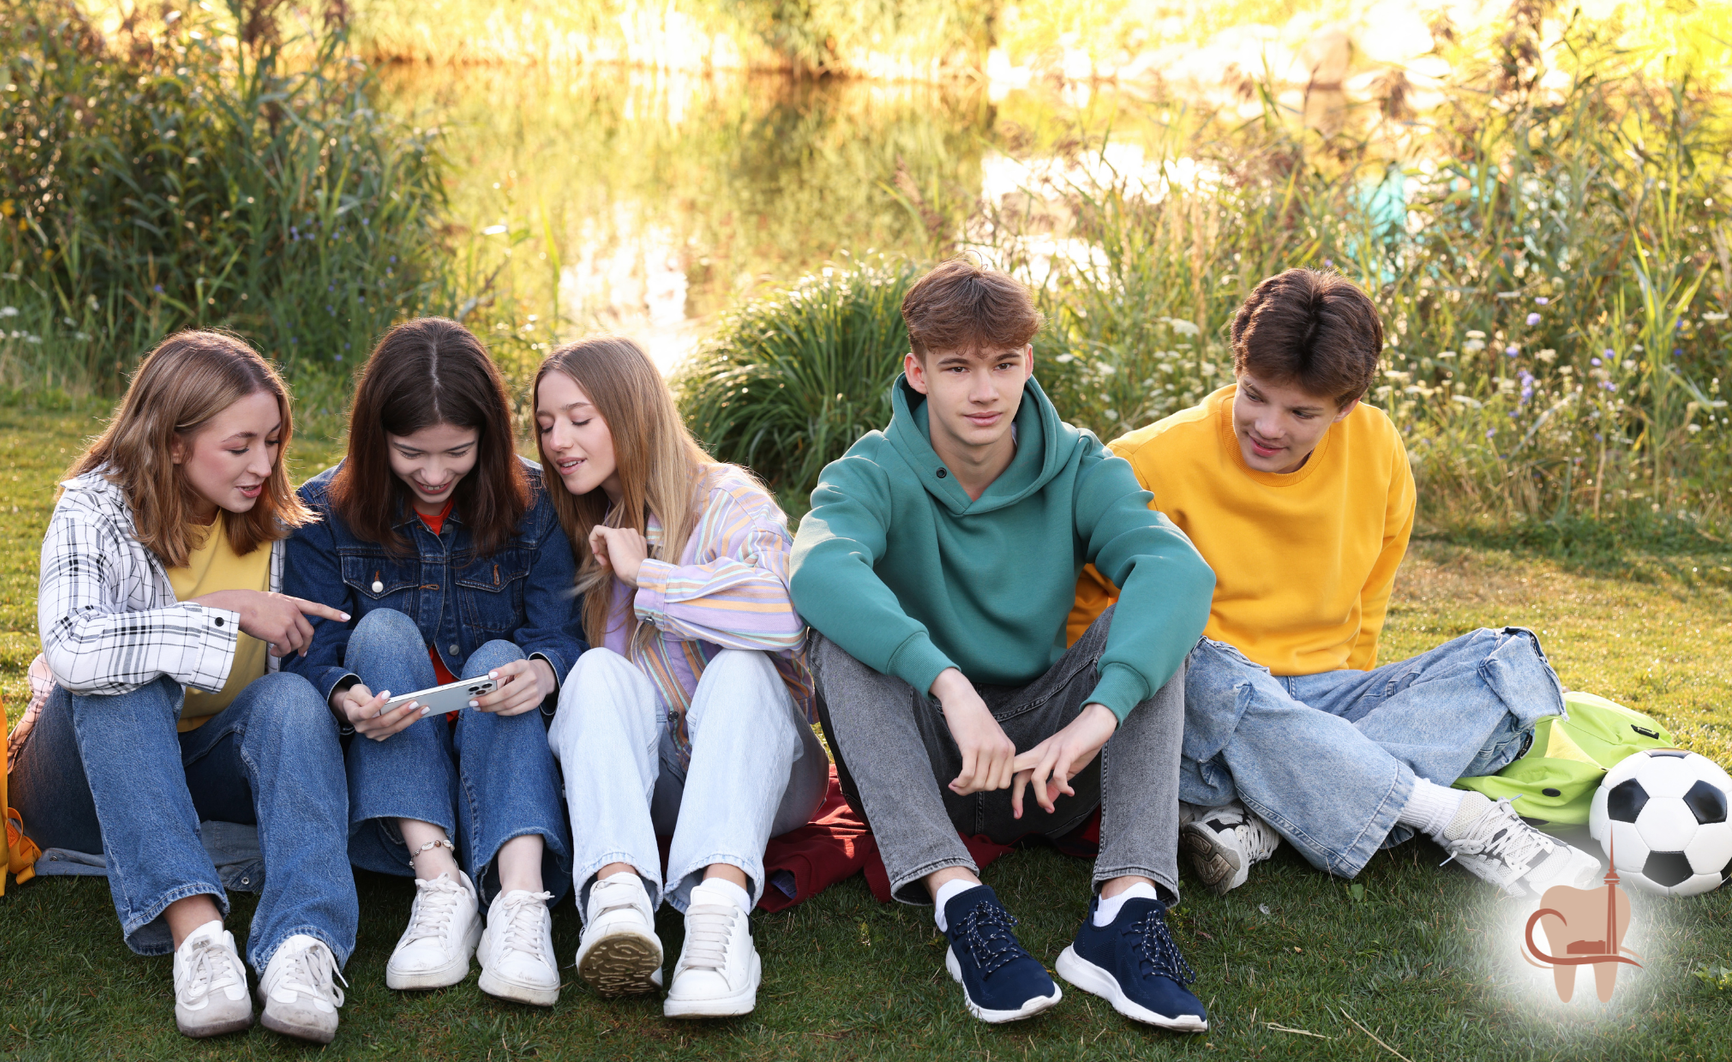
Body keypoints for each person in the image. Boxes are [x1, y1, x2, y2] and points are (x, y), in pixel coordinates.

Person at [1068, 267, 1600, 897]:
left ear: (1346, 406)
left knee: (1507, 662)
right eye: (1254, 395)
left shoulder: (1377, 445)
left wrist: (1320, 742)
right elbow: (1086, 633)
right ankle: (1456, 817)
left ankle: (1262, 818)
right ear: (1237, 367)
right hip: (1200, 712)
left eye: (1301, 412)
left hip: (1326, 696)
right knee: (1185, 649)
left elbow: (1371, 595)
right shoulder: (1145, 459)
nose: (1269, 426)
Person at [789, 260, 1216, 1031]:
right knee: (840, 637)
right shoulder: (871, 470)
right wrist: (947, 684)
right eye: (958, 368)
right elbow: (817, 567)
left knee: (1153, 628)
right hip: (931, 764)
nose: (984, 391)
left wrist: (1096, 720)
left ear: (1028, 365)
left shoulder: (1079, 462)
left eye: (1004, 365)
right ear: (917, 372)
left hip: (1052, 766)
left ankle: (1126, 908)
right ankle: (960, 902)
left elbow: (1176, 569)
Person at [10, 330, 356, 1044]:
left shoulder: (281, 524)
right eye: (239, 446)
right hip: (81, 783)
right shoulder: (93, 510)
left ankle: (303, 947)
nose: (263, 464)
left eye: (273, 442)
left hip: (210, 773)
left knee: (292, 701)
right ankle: (198, 938)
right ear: (173, 442)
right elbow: (72, 647)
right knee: (124, 678)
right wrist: (225, 609)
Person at [282, 318, 584, 1006]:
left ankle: (520, 902)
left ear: (489, 439)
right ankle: (439, 884)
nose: (435, 474)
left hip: (503, 770)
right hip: (395, 789)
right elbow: (310, 654)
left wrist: (542, 672)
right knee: (383, 631)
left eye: (458, 453)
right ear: (375, 438)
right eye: (411, 453)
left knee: (505, 656)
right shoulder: (323, 511)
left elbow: (562, 632)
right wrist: (345, 696)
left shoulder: (535, 503)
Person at [536, 335, 828, 1019]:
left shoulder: (727, 500)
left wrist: (649, 578)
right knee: (596, 671)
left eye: (579, 419)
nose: (558, 442)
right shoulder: (587, 526)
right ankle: (617, 902)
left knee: (742, 666)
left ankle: (717, 921)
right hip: (664, 780)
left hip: (767, 771)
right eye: (546, 425)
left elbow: (786, 615)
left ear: (631, 412)